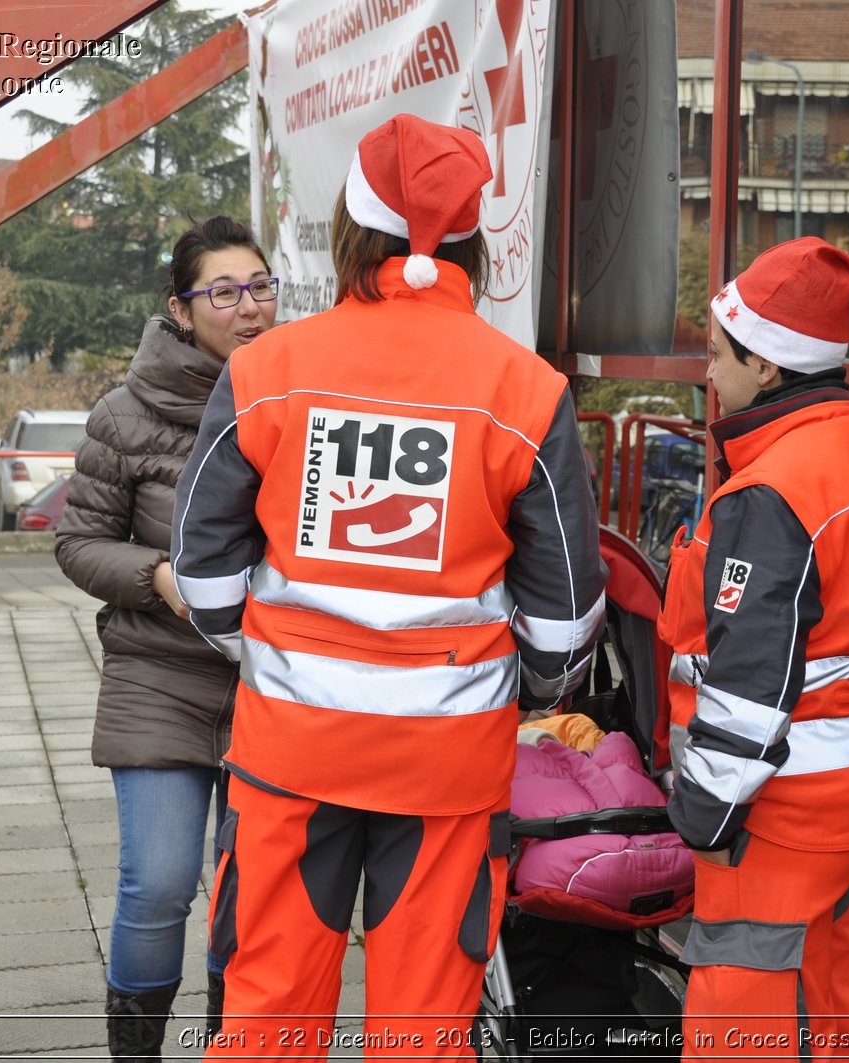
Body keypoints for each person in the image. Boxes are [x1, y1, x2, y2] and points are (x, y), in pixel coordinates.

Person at [171, 114, 606, 1056]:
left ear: (349, 232)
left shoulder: (267, 369)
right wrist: (515, 689)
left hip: (291, 751)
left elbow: (203, 578)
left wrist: (276, 655)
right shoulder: (526, 390)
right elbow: (567, 618)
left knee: (267, 1012)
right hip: (448, 764)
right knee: (425, 1023)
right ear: (470, 243)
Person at [658, 238, 849, 1058]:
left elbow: (747, 680)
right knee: (841, 1017)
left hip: (781, 817)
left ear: (766, 368)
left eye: (715, 355)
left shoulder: (771, 490)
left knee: (746, 1026)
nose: (708, 374)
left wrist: (703, 816)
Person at [54, 215, 279, 1060]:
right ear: (181, 310)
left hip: (272, 681)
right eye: (224, 292)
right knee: (158, 883)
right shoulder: (126, 414)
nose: (248, 307)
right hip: (160, 674)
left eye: (260, 286)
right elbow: (78, 542)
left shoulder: (299, 396)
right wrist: (156, 576)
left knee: (250, 895)